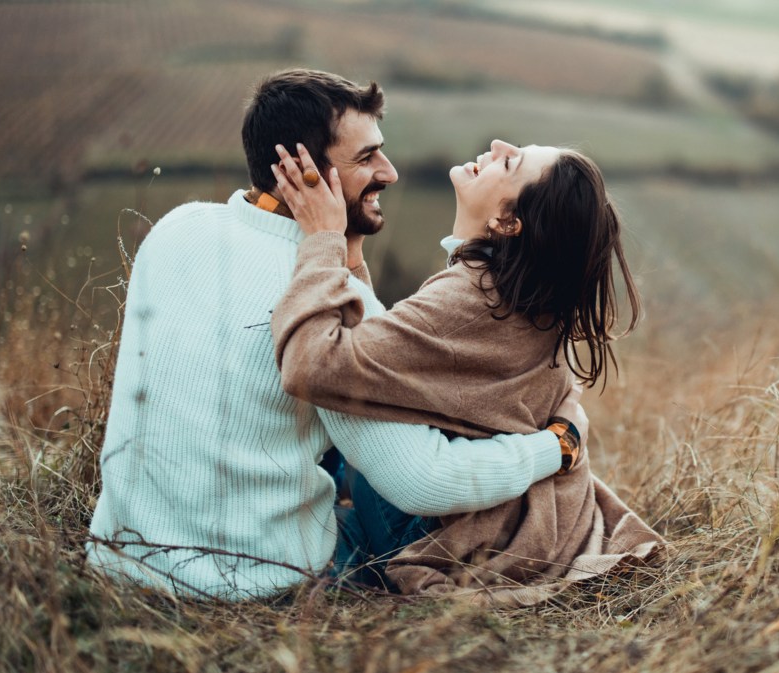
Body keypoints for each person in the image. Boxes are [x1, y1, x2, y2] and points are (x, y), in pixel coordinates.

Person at [86, 69, 585, 601]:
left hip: (118, 558)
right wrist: (552, 449)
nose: (389, 172)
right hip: (252, 581)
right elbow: (422, 482)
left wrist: (340, 251)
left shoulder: (177, 228)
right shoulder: (325, 299)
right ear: (303, 173)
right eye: (366, 158)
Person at [269, 138, 663, 604]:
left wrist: (321, 242)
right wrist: (352, 260)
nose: (497, 145)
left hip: (442, 533)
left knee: (303, 506)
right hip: (498, 518)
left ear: (507, 221)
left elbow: (313, 366)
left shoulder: (474, 299)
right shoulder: (514, 292)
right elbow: (400, 351)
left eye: (511, 161)